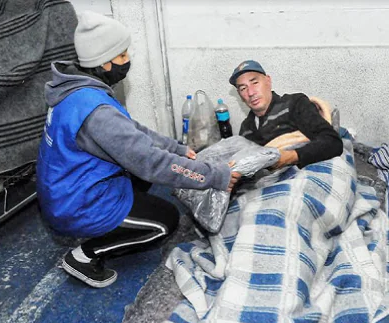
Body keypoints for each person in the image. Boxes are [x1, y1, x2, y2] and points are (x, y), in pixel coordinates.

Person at [36, 11, 240, 288]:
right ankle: (84, 256)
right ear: (103, 62)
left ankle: (113, 218)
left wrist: (177, 149)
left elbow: (133, 131)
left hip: (68, 188)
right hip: (76, 205)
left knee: (142, 170)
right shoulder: (98, 113)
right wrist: (215, 176)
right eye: (121, 56)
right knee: (164, 221)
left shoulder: (77, 90)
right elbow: (153, 163)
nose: (127, 60)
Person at [229, 60, 343, 169]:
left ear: (268, 81)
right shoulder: (246, 129)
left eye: (255, 83)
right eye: (243, 88)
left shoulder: (294, 104)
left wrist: (290, 157)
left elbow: (333, 142)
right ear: (240, 95)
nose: (251, 93)